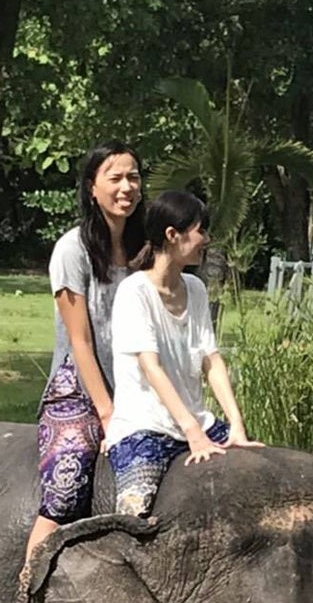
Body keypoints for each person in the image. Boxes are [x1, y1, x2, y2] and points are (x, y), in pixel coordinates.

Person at [18, 142, 143, 603]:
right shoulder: (72, 250)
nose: (126, 187)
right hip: (79, 386)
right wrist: (108, 413)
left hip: (139, 383)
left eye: (133, 177)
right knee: (66, 489)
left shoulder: (145, 248)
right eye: (115, 177)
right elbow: (81, 342)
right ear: (92, 187)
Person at [105, 190, 259, 517]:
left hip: (199, 422)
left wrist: (236, 424)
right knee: (136, 512)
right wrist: (192, 433)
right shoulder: (134, 293)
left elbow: (211, 360)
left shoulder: (196, 289)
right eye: (200, 230)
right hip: (144, 428)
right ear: (172, 235)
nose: (206, 240)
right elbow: (152, 368)